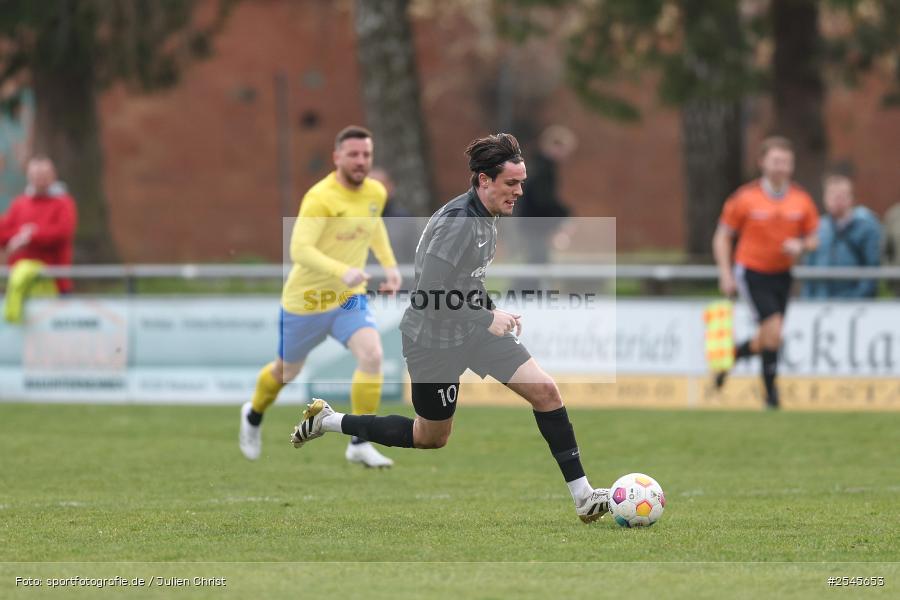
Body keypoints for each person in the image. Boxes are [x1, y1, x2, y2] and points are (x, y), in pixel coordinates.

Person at [289, 133, 611, 524]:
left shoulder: (486, 217)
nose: (519, 191)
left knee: (545, 391)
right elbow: (427, 292)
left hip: (471, 331)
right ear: (483, 180)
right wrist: (484, 317)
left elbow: (466, 281)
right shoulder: (459, 223)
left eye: (521, 182)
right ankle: (328, 421)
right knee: (431, 437)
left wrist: (491, 311)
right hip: (431, 342)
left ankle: (584, 497)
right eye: (511, 183)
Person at [239, 125, 402, 467]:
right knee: (287, 372)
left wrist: (390, 267)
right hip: (306, 302)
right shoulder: (320, 197)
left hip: (347, 300)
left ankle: (360, 442)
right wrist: (340, 270)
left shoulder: (375, 192)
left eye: (366, 155)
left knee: (372, 356)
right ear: (337, 157)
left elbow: (374, 227)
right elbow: (299, 249)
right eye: (353, 155)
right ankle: (253, 415)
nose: (361, 161)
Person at [712, 136, 819, 409]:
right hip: (752, 272)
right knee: (774, 330)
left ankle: (732, 356)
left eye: (786, 162)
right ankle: (771, 397)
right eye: (775, 161)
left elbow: (814, 238)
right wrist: (726, 273)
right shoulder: (745, 198)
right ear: (762, 163)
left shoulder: (801, 200)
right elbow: (722, 237)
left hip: (782, 274)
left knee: (770, 336)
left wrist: (801, 245)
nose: (780, 167)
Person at [512, 125, 577, 291]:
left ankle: (521, 295)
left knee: (537, 260)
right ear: (555, 146)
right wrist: (565, 216)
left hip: (531, 223)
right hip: (534, 224)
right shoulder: (543, 168)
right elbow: (543, 199)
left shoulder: (537, 165)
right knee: (537, 261)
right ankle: (518, 296)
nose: (566, 156)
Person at [0, 156, 77, 294]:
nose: (40, 179)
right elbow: (3, 232)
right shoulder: (20, 204)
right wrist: (20, 234)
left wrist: (31, 236)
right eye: (36, 175)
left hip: (55, 284)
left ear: (53, 175)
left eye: (44, 175)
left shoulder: (63, 203)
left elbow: (62, 232)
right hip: (20, 285)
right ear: (29, 176)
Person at [802, 172, 881, 299]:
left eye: (842, 195)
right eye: (832, 195)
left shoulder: (867, 228)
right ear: (825, 198)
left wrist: (858, 298)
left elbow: (871, 269)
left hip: (853, 304)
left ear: (851, 198)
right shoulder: (817, 228)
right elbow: (809, 268)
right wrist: (807, 301)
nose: (837, 200)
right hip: (820, 303)